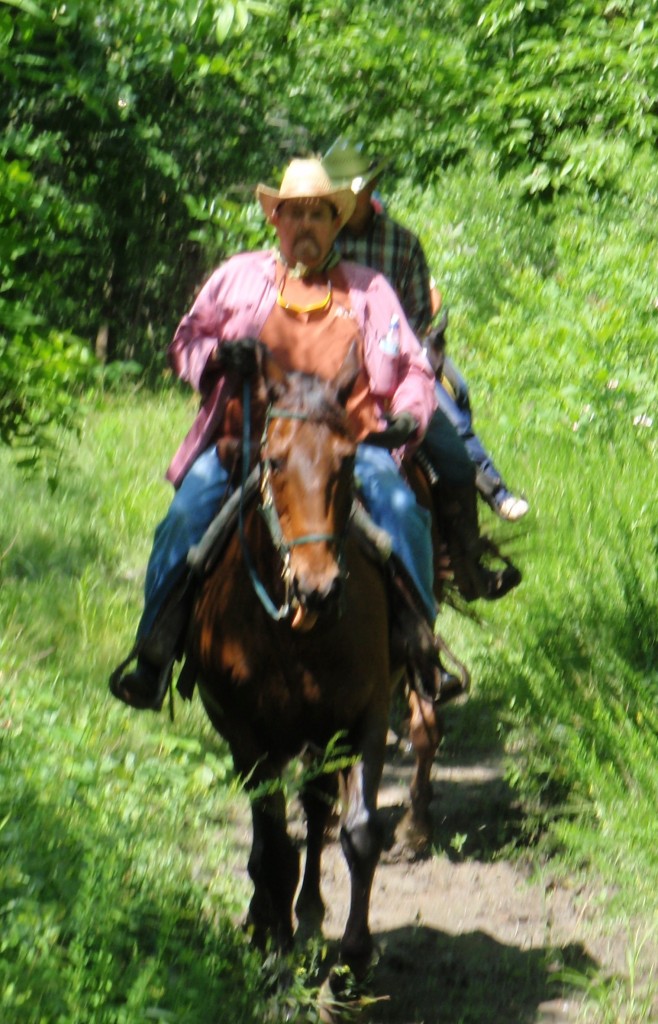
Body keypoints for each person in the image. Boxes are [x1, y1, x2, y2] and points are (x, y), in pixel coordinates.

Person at [110, 157, 465, 712]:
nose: (305, 225)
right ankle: (155, 650)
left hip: (348, 446)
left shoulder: (369, 291)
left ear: (334, 222)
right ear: (275, 220)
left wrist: (409, 415)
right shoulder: (239, 278)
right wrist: (214, 357)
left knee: (402, 507)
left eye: (318, 215)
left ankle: (421, 647)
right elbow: (186, 340)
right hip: (248, 441)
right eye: (293, 214)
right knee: (184, 517)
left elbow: (415, 368)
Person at [322, 137, 529, 524]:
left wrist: (389, 356)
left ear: (367, 189)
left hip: (399, 362)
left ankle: (484, 516)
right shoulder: (320, 242)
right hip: (327, 366)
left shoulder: (403, 244)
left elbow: (418, 313)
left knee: (450, 435)